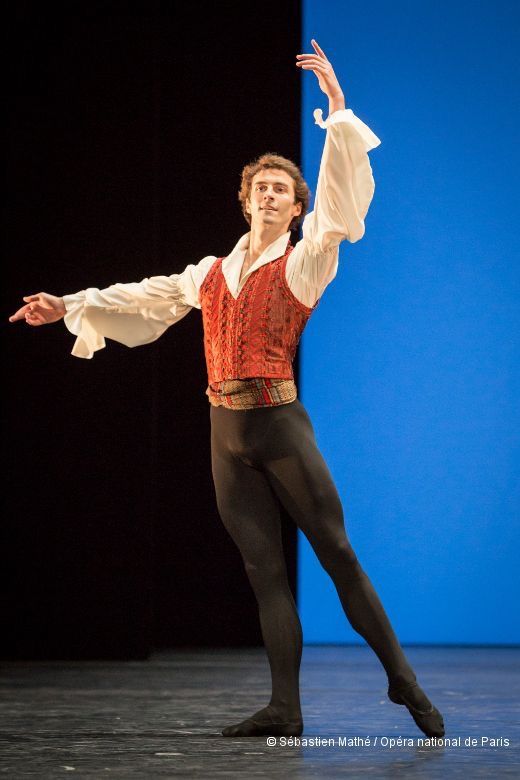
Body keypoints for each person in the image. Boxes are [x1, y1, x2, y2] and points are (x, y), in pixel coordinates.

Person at [9, 40, 444, 739]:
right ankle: (286, 708)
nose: (270, 196)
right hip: (225, 435)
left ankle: (402, 679)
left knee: (337, 555)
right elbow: (145, 296)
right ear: (244, 201)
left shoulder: (306, 260)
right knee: (262, 571)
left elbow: (339, 209)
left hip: (280, 427)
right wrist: (68, 302)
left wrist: (336, 111)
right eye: (260, 188)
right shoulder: (209, 271)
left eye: (282, 190)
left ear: (294, 208)